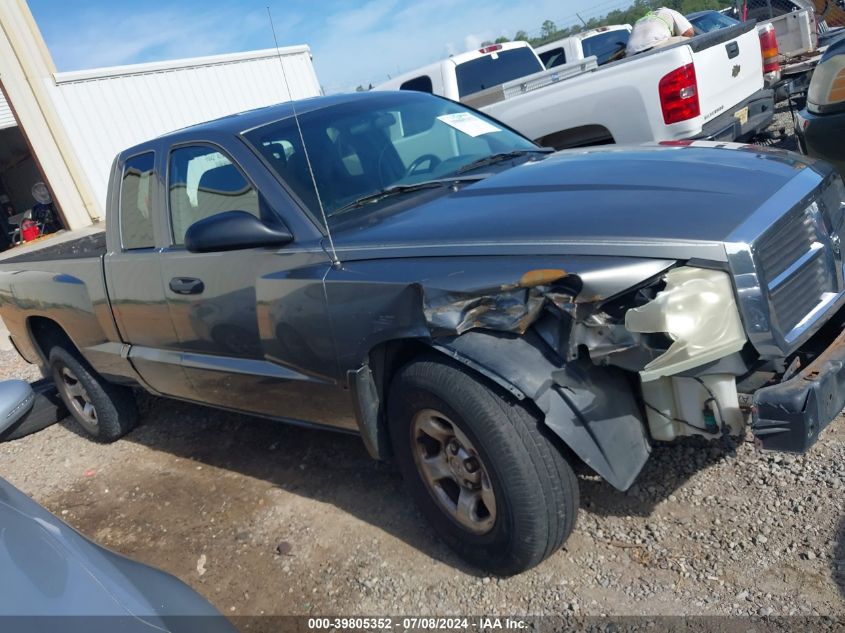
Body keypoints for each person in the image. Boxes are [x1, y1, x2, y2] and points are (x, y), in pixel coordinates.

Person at [625, 7, 695, 56]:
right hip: (655, 44)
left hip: (632, 54)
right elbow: (689, 33)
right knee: (690, 41)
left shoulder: (642, 20)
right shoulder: (669, 12)